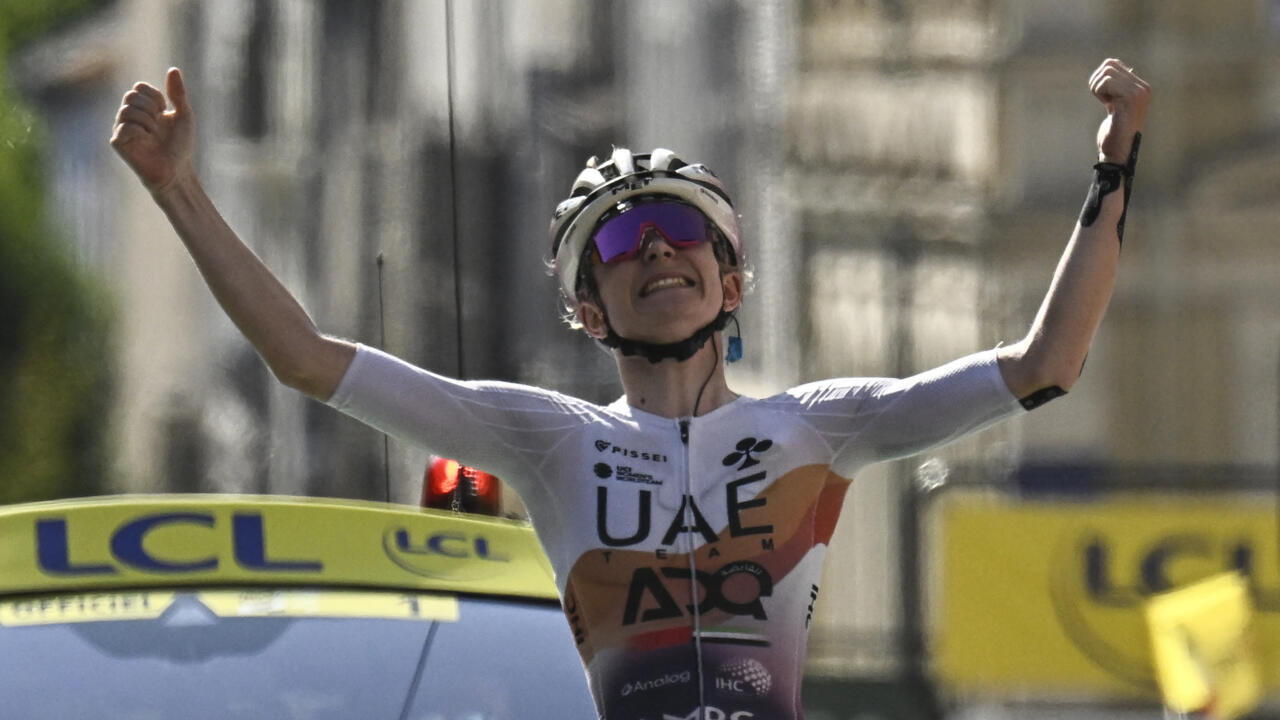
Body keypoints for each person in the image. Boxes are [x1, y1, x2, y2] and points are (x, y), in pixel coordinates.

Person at [111, 59, 1151, 720]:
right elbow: (303, 357)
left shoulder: (817, 427)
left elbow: (1042, 364)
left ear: (731, 280)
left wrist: (1112, 170)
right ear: (589, 310)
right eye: (618, 239)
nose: (656, 247)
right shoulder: (544, 437)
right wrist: (178, 190)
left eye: (684, 230)